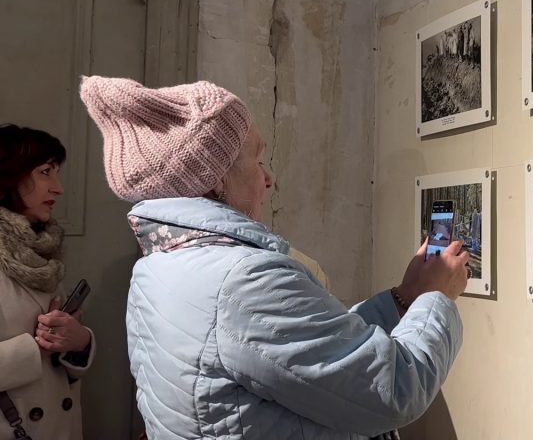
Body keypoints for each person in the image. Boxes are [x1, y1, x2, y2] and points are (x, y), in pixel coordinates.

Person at [79, 77, 470, 440]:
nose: (268, 180)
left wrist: (404, 297)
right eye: (258, 160)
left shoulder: (160, 265)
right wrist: (436, 298)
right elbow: (394, 390)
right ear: (216, 178)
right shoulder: (242, 280)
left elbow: (306, 352)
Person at [0, 125, 94, 440]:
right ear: (9, 176)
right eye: (45, 172)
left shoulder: (42, 250)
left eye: (57, 173)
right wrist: (37, 346)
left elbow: (61, 360)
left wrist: (79, 342)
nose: (59, 188)